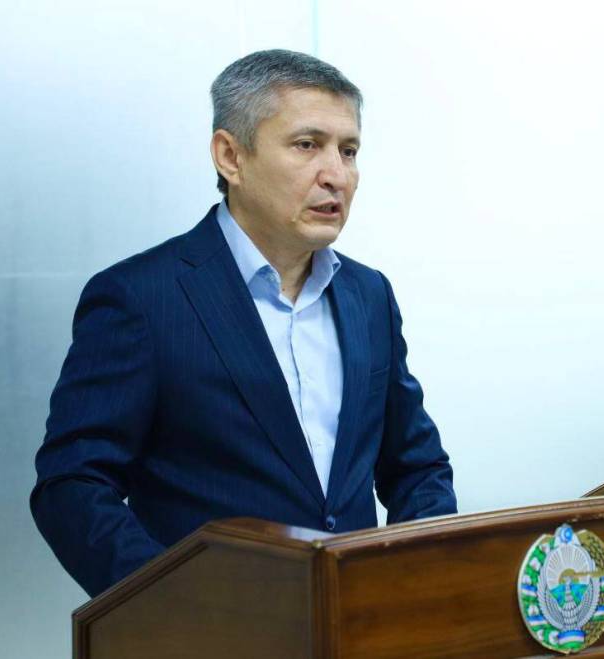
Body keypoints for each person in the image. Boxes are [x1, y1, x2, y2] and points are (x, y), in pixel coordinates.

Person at [30, 49, 456, 598]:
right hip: (211, 625)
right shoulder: (142, 298)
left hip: (356, 622)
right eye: (307, 145)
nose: (336, 175)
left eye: (348, 151)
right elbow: (73, 484)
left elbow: (416, 467)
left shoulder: (368, 295)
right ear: (230, 157)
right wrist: (169, 603)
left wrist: (416, 583)